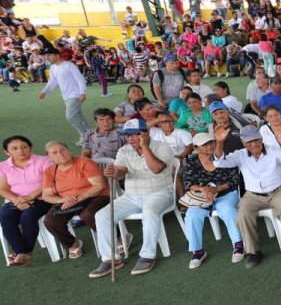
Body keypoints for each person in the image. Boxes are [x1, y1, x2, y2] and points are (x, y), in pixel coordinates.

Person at [89, 119, 176, 278]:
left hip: (160, 193)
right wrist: (114, 172)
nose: (131, 138)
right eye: (128, 135)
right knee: (102, 215)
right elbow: (121, 172)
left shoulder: (162, 147)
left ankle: (147, 256)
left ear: (146, 133)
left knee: (150, 211)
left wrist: (144, 146)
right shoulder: (124, 150)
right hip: (131, 196)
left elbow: (156, 169)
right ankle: (110, 259)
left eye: (135, 134)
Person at [215, 125, 281, 269]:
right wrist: (220, 142)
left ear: (261, 139)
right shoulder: (240, 155)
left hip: (277, 191)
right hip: (252, 195)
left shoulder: (274, 150)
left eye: (256, 140)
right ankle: (254, 252)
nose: (254, 144)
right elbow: (218, 162)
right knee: (243, 215)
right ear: (243, 143)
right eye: (249, 142)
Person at [179, 132, 244, 269]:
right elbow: (188, 183)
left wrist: (216, 189)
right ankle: (198, 251)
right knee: (191, 215)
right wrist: (203, 189)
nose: (209, 146)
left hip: (226, 193)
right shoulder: (192, 161)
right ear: (196, 148)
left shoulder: (225, 157)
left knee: (228, 210)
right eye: (204, 145)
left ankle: (239, 245)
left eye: (211, 142)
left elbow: (234, 179)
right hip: (203, 197)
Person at [38, 140, 110, 262]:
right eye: (54, 152)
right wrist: (62, 199)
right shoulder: (49, 171)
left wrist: (77, 199)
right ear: (48, 157)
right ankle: (72, 243)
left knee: (89, 215)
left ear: (69, 150)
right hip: (68, 200)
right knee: (51, 221)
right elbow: (46, 195)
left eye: (62, 150)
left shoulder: (84, 162)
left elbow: (99, 185)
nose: (60, 154)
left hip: (96, 195)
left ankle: (116, 238)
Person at [0, 136, 53, 266]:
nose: (20, 150)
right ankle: (22, 252)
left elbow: (49, 183)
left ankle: (24, 252)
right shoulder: (3, 166)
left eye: (24, 147)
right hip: (14, 200)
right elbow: (2, 188)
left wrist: (29, 197)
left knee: (28, 216)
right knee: (5, 217)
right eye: (14, 148)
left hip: (42, 198)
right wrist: (17, 200)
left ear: (31, 147)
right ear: (7, 151)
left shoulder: (43, 161)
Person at [38, 48, 90, 141]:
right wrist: (44, 91)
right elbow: (52, 82)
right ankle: (90, 134)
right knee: (78, 115)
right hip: (66, 96)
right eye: (46, 56)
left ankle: (84, 135)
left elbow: (80, 79)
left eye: (49, 55)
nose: (47, 57)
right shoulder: (53, 67)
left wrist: (82, 92)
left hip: (75, 94)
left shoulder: (69, 65)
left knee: (70, 116)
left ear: (57, 55)